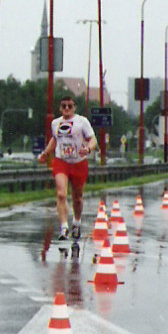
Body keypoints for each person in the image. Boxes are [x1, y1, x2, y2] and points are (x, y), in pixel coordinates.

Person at [38, 95, 98, 241]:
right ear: (60, 108)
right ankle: (64, 227)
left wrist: (88, 149)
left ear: (74, 107)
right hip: (61, 161)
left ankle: (76, 222)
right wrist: (45, 153)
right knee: (61, 194)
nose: (66, 108)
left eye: (69, 106)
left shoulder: (81, 121)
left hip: (78, 162)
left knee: (77, 197)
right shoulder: (55, 123)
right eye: (63, 106)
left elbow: (93, 139)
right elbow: (55, 139)